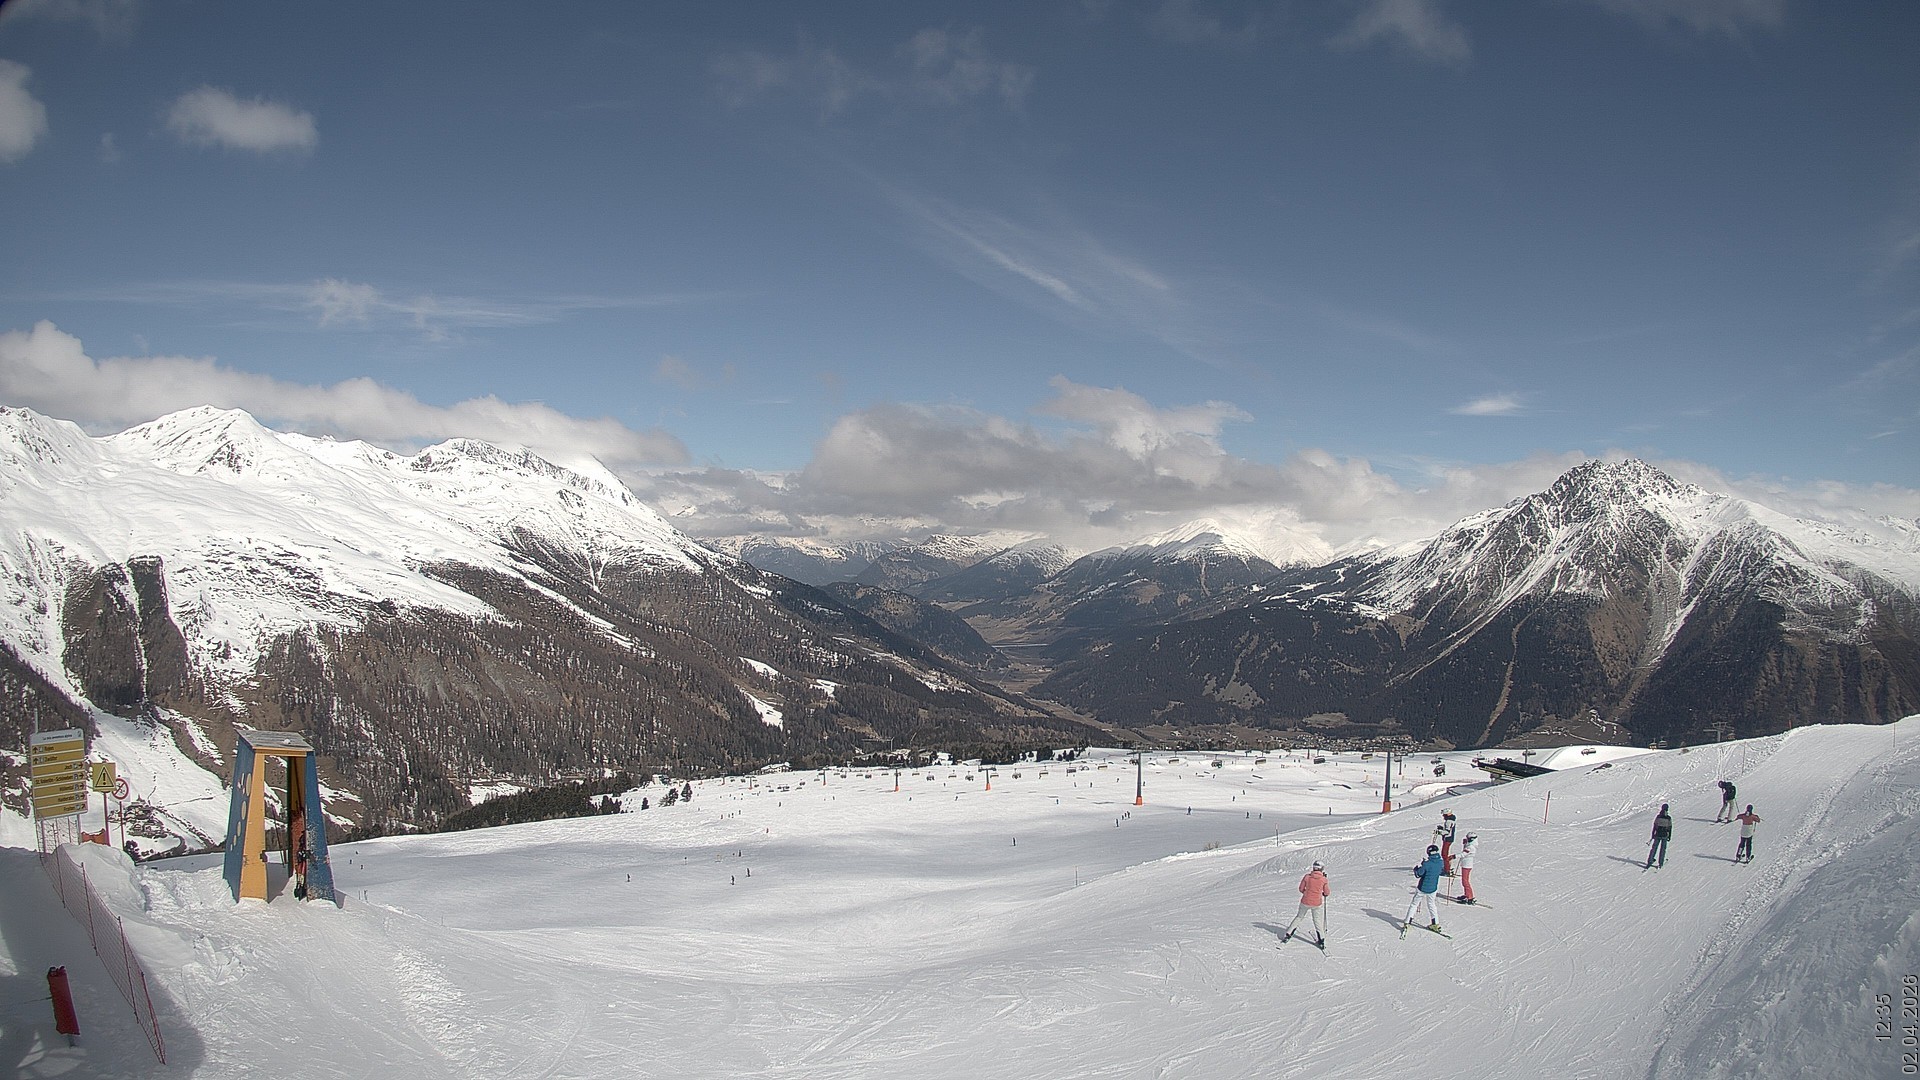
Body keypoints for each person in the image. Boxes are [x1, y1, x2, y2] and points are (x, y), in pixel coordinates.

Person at [1283, 861, 1331, 946]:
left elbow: (1301, 889)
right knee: (1317, 920)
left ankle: (1288, 933)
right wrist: (1322, 893)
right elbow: (1327, 892)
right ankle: (1321, 939)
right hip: (1316, 903)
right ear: (1322, 869)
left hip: (1305, 901)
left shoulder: (1307, 877)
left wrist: (1307, 893)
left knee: (1299, 917)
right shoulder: (1323, 879)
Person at [1405, 845, 1446, 931]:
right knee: (1431, 905)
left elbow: (1418, 874)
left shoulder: (1427, 864)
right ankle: (1435, 923)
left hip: (1422, 888)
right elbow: (1438, 870)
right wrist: (1425, 864)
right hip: (1433, 888)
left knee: (1414, 904)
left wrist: (1417, 868)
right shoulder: (1440, 862)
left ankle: (1407, 922)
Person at [1647, 804, 1673, 868]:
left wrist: (1653, 834)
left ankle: (1650, 861)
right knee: (1663, 849)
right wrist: (1669, 836)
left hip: (1657, 834)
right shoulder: (1668, 818)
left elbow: (1655, 825)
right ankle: (1660, 863)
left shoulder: (1658, 817)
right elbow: (1670, 828)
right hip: (1664, 835)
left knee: (1654, 848)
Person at [1457, 833, 1479, 903]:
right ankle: (1467, 894)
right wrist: (1465, 844)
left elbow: (1463, 854)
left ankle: (1470, 897)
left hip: (1467, 865)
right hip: (1465, 865)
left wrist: (1453, 856)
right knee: (1464, 881)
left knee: (1465, 882)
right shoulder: (1469, 845)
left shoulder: (1471, 847)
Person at [1436, 810, 1459, 875]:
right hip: (1450, 839)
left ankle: (1447, 870)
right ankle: (1447, 867)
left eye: (1444, 815)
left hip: (1447, 839)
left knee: (1444, 854)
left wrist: (1439, 832)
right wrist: (1442, 828)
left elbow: (1447, 832)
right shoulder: (1452, 820)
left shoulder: (1448, 821)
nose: (1443, 817)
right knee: (1445, 854)